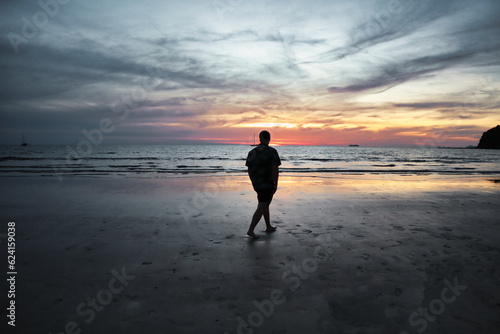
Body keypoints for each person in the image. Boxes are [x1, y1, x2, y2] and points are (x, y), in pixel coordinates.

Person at [245, 130, 281, 239]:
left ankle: (268, 226)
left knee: (264, 203)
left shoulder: (252, 152)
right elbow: (275, 169)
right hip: (267, 183)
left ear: (260, 139)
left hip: (257, 183)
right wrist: (276, 183)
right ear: (269, 139)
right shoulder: (272, 151)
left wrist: (252, 181)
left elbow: (249, 169)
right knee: (263, 205)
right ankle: (251, 230)